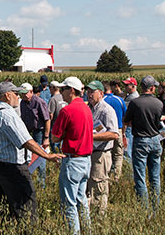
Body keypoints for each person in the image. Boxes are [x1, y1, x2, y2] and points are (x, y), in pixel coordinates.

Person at [0, 81, 63, 223]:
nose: (19, 97)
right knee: (25, 204)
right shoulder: (7, 115)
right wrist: (46, 155)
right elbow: (25, 141)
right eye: (16, 94)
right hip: (12, 167)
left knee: (5, 206)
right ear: (7, 96)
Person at [51, 77, 93, 235]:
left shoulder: (67, 110)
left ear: (72, 91)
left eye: (64, 89)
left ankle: (74, 232)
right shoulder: (87, 108)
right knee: (81, 201)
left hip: (72, 160)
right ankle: (87, 230)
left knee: (69, 204)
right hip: (86, 160)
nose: (61, 92)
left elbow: (55, 137)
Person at [122, 75, 163, 212]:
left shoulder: (135, 103)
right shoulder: (159, 103)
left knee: (140, 176)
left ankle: (144, 208)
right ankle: (155, 206)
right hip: (155, 138)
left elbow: (126, 120)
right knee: (155, 176)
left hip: (141, 139)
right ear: (151, 88)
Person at [86, 81, 118, 215]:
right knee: (90, 185)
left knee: (99, 185)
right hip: (91, 153)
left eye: (92, 92)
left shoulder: (106, 110)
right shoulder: (90, 108)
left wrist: (91, 137)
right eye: (88, 92)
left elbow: (114, 134)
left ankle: (100, 215)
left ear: (101, 93)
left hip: (102, 153)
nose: (89, 95)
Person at [19, 82, 51, 188]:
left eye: (25, 93)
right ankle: (29, 181)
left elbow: (47, 120)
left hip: (39, 132)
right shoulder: (22, 103)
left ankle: (41, 184)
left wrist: (46, 138)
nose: (23, 95)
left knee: (40, 157)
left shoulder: (39, 102)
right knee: (29, 158)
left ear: (31, 92)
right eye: (22, 93)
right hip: (28, 132)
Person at [102, 81, 126, 181]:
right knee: (118, 154)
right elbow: (125, 118)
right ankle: (116, 176)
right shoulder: (119, 100)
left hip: (106, 132)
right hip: (119, 130)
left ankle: (106, 175)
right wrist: (123, 132)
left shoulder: (102, 100)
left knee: (107, 153)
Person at [47, 80, 67, 152]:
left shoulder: (53, 99)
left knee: (55, 146)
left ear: (52, 88)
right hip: (64, 124)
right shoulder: (64, 97)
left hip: (56, 125)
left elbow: (50, 114)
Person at [122, 77, 139, 161]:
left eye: (127, 85)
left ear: (133, 86)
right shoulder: (130, 96)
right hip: (131, 126)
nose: (125, 86)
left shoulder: (133, 98)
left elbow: (125, 112)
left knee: (127, 150)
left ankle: (128, 169)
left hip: (129, 126)